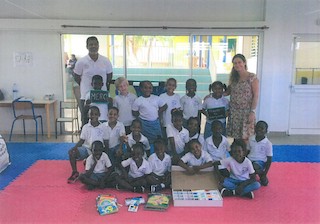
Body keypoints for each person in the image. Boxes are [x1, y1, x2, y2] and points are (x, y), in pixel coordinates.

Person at [73, 36, 113, 127]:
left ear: (98, 46)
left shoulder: (105, 61)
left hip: (102, 97)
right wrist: (85, 86)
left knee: (103, 120)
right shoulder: (81, 62)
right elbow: (76, 77)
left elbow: (109, 77)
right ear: (87, 46)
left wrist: (102, 88)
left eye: (95, 44)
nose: (93, 46)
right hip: (86, 96)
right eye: (91, 44)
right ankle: (86, 140)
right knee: (86, 120)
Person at [67, 106, 109, 183]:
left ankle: (89, 166)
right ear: (88, 115)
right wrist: (74, 148)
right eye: (91, 114)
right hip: (87, 149)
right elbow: (82, 140)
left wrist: (105, 154)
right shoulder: (85, 127)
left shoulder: (103, 127)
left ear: (99, 115)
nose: (93, 116)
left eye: (96, 114)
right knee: (72, 152)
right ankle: (75, 172)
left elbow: (106, 142)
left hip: (98, 151)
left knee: (94, 170)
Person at [225, 54, 259, 142]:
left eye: (239, 62)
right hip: (234, 112)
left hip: (246, 112)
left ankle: (244, 155)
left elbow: (256, 95)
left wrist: (252, 112)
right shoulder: (233, 78)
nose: (237, 65)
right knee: (236, 138)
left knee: (245, 138)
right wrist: (211, 95)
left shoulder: (252, 77)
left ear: (244, 63)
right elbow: (227, 92)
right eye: (235, 63)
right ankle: (237, 155)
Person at [247, 121, 273, 186]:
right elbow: (247, 151)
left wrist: (264, 174)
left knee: (253, 167)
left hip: (260, 162)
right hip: (250, 160)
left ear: (266, 131)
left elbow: (269, 159)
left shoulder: (268, 144)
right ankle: (253, 177)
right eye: (257, 127)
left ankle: (260, 175)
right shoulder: (250, 139)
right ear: (255, 128)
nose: (259, 129)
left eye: (262, 128)